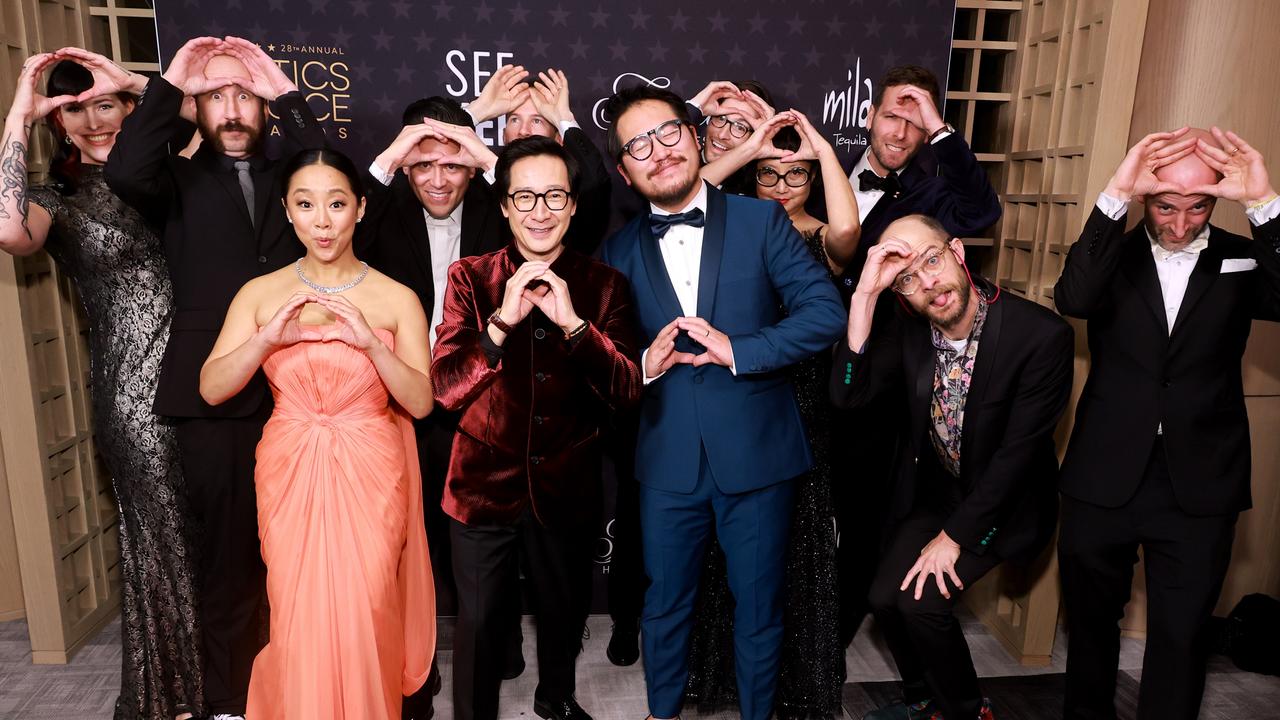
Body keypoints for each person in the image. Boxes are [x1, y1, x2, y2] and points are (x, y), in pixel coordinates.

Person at [598, 84, 846, 720]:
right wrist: (642, 366)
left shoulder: (762, 222)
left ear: (696, 136)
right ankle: (661, 712)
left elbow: (825, 313)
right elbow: (601, 367)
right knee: (664, 606)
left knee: (759, 609)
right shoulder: (614, 254)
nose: (657, 152)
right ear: (625, 171)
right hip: (666, 462)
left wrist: (741, 349)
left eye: (668, 133)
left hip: (759, 456)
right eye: (637, 146)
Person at [104, 35, 326, 719]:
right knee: (228, 556)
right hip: (211, 395)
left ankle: (308, 684)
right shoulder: (171, 179)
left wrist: (282, 87)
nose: (232, 109)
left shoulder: (300, 178)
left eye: (246, 95)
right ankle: (230, 700)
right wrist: (175, 77)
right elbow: (123, 169)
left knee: (305, 549)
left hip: (303, 386)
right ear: (194, 108)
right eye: (216, 96)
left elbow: (338, 174)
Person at [0, 49, 203, 720]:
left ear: (128, 106)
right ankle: (177, 699)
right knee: (165, 540)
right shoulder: (53, 200)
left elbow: (218, 124)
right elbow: (6, 230)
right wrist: (21, 114)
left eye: (105, 103)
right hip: (136, 398)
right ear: (58, 125)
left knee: (221, 534)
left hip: (214, 381)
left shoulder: (175, 173)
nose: (92, 121)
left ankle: (231, 689)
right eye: (74, 111)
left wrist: (138, 84)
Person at [199, 148, 435, 719]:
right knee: (298, 610)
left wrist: (372, 345)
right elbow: (211, 387)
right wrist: (265, 341)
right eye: (306, 205)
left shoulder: (395, 297)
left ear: (360, 208)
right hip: (289, 468)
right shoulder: (260, 294)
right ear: (287, 211)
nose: (322, 221)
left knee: (366, 608)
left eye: (336, 204)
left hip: (372, 470)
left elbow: (421, 403)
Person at [1054, 126, 1280, 720]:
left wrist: (1263, 203)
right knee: (1091, 630)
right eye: (1165, 205)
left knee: (1181, 639)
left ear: (1217, 199)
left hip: (1201, 478)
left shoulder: (1240, 255)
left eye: (1198, 205)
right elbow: (1073, 298)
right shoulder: (1112, 254)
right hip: (1103, 473)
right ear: (1147, 195)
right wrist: (1116, 193)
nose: (1181, 225)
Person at [431, 136, 642, 720]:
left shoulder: (604, 287)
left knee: (563, 611)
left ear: (574, 205)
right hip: (479, 486)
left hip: (566, 484)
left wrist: (575, 326)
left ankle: (557, 698)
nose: (540, 210)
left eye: (554, 195)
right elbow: (445, 389)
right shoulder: (471, 278)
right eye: (525, 197)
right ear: (503, 206)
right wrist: (500, 325)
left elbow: (627, 392)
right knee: (477, 623)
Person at [831, 214, 1072, 720]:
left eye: (932, 260)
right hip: (941, 493)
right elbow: (849, 397)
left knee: (921, 602)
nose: (928, 284)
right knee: (882, 596)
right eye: (907, 280)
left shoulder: (1042, 336)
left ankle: (966, 710)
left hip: (1007, 504)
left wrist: (954, 537)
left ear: (958, 251)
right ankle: (926, 698)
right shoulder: (911, 329)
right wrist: (864, 299)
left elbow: (1017, 458)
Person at [683, 113, 861, 719]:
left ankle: (796, 685)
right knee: (729, 548)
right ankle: (726, 678)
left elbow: (848, 229)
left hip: (803, 403)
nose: (783, 185)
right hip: (737, 396)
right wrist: (753, 145)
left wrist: (823, 149)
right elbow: (692, 186)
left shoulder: (820, 241)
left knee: (797, 546)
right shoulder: (727, 228)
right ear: (751, 178)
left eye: (797, 175)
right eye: (769, 174)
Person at [828, 64, 1003, 651]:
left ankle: (838, 631)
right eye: (893, 115)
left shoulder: (931, 194)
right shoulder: (816, 173)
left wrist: (940, 126)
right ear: (867, 114)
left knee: (862, 513)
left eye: (915, 123)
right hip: (793, 360)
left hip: (872, 374)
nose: (901, 133)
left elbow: (980, 213)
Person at [463, 65, 611, 253]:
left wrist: (563, 119)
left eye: (537, 120)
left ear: (559, 139)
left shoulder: (570, 195)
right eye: (514, 119)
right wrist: (477, 112)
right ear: (503, 135)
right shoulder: (476, 185)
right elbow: (430, 146)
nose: (523, 130)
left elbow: (595, 184)